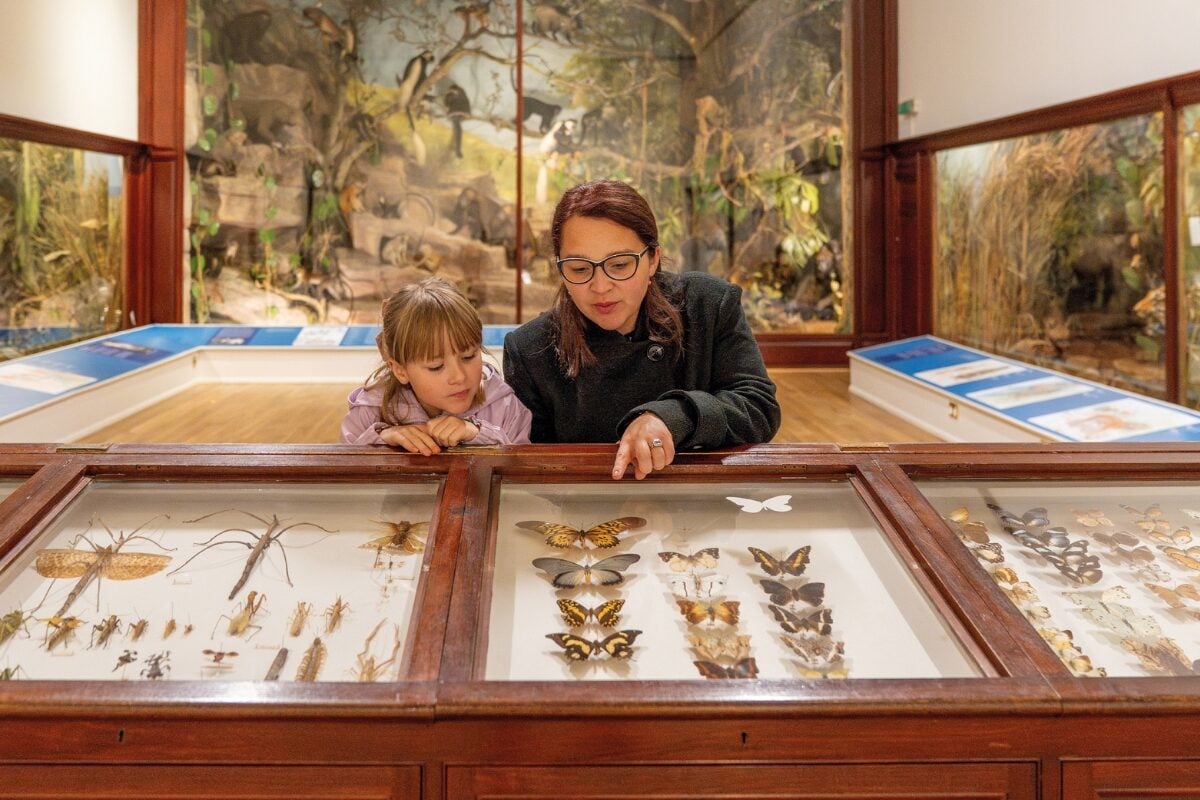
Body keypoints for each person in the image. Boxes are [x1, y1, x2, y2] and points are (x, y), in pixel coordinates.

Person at [503, 179, 780, 480]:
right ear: (560, 269)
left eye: (620, 265)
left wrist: (673, 416)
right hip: (590, 502)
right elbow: (535, 471)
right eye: (580, 268)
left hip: (700, 494)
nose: (601, 286)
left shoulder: (707, 305)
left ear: (652, 260)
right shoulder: (531, 349)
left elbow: (758, 408)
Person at [341, 277, 532, 453]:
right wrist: (381, 438)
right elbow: (341, 467)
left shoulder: (504, 406)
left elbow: (521, 468)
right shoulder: (369, 411)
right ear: (400, 370)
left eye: (468, 356)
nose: (459, 376)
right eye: (436, 366)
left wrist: (479, 434)